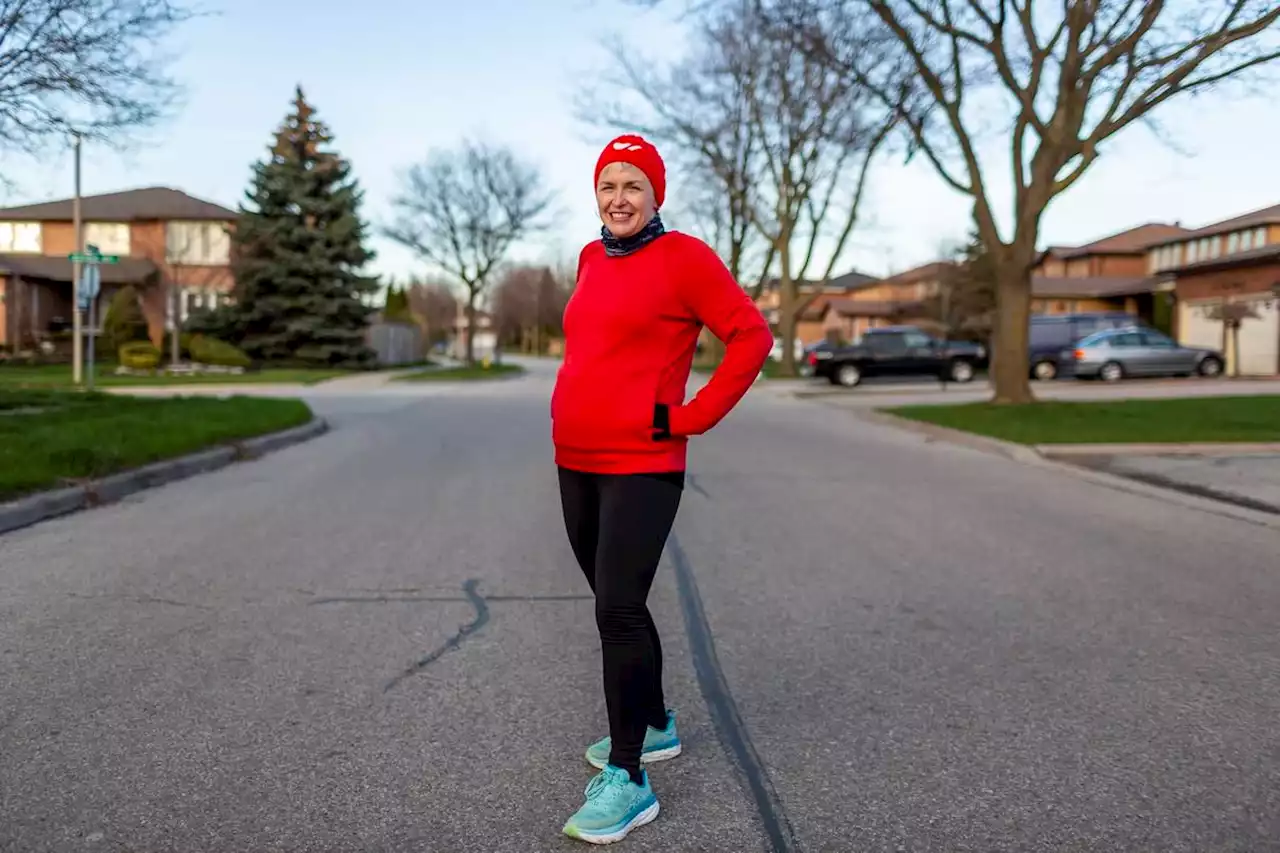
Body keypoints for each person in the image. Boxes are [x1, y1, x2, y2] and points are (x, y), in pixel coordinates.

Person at [551, 134, 772, 844]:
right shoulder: (589, 258)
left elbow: (752, 335)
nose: (619, 197)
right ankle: (655, 723)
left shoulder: (685, 259)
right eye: (608, 184)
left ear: (656, 196)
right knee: (616, 601)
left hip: (643, 462)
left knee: (617, 607)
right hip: (574, 456)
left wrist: (692, 416)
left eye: (633, 185)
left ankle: (630, 777)